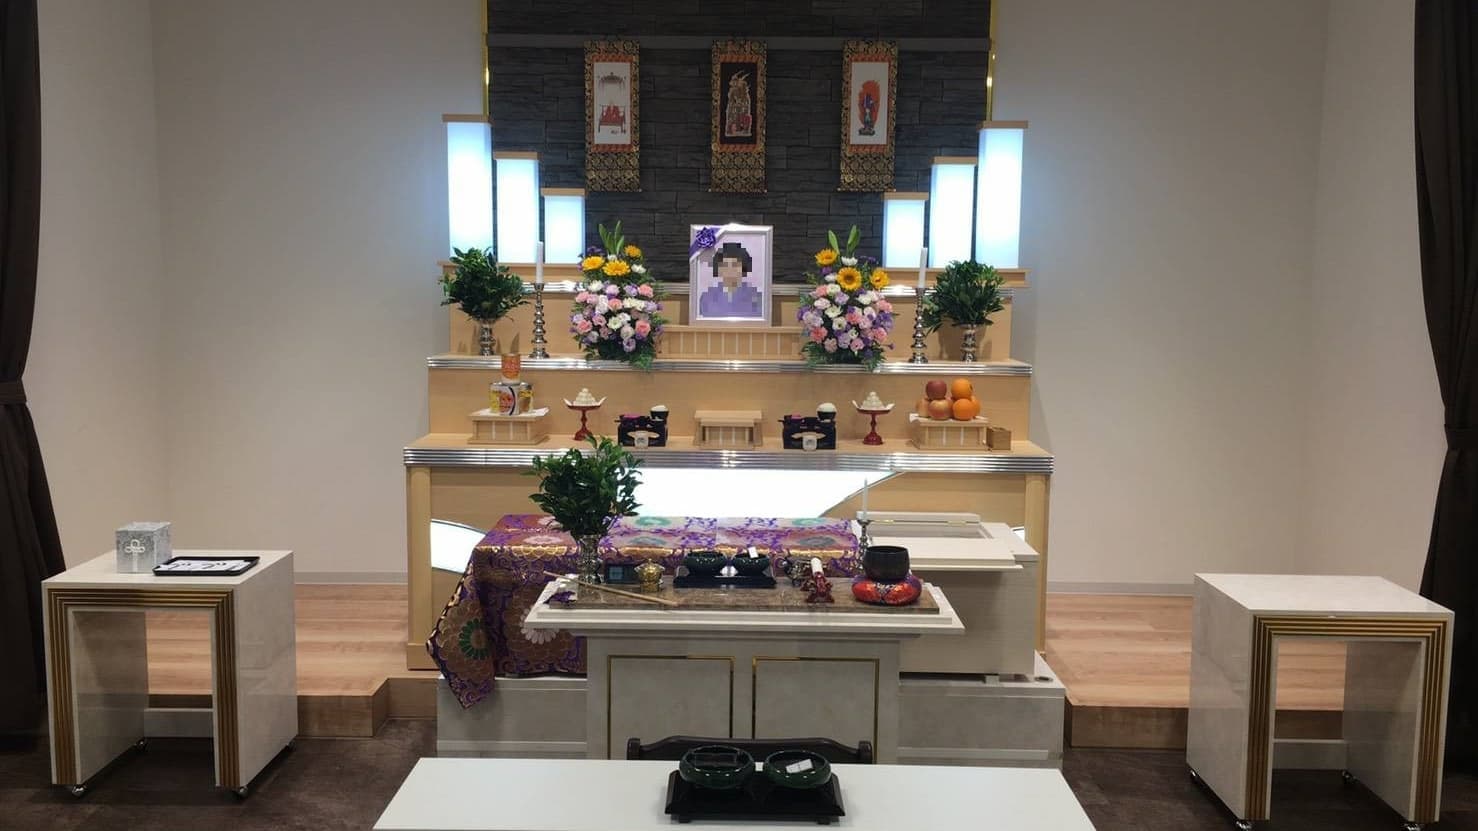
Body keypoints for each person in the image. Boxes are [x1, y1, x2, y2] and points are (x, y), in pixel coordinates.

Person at [698, 241, 763, 319]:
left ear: (743, 268)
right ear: (718, 268)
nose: (730, 269)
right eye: (725, 265)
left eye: (734, 265)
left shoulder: (756, 297)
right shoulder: (706, 297)